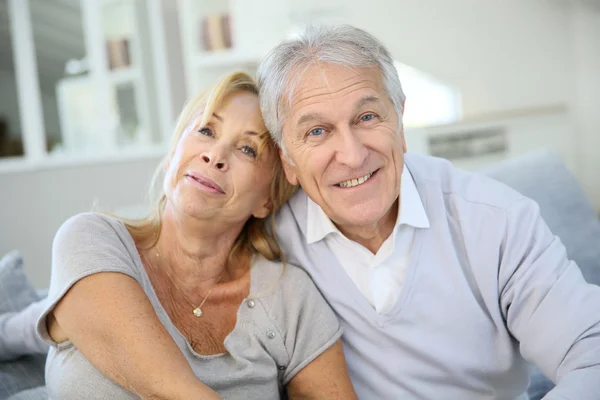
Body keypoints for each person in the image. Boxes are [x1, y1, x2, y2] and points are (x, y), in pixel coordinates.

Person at [257, 25, 600, 399]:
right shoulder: (268, 245)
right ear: (286, 159)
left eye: (367, 117)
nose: (353, 156)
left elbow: (590, 354)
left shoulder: (496, 220)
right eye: (318, 132)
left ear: (400, 121)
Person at [35, 72, 357, 400]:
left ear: (267, 200)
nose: (215, 156)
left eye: (248, 149)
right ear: (174, 151)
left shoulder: (290, 297)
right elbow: (171, 390)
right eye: (206, 130)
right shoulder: (92, 239)